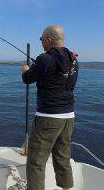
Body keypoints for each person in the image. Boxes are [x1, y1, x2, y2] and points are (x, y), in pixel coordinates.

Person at [22, 25, 78, 190]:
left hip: (48, 118)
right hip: (69, 117)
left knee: (36, 162)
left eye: (41, 39)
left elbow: (27, 78)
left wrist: (26, 70)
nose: (41, 43)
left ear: (48, 40)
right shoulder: (74, 60)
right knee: (63, 158)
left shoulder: (44, 59)